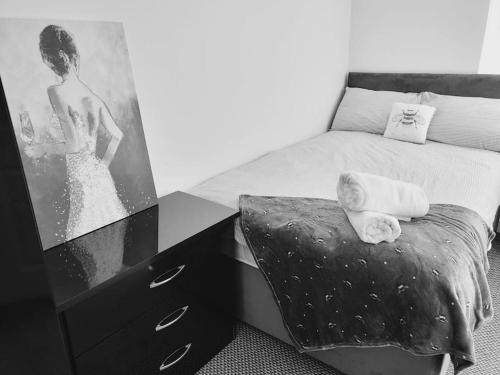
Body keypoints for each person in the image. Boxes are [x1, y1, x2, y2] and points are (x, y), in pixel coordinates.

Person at [24, 24, 128, 241]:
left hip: (81, 178)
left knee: (84, 237)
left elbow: (74, 145)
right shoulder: (93, 96)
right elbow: (117, 135)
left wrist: (43, 148)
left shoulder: (56, 91)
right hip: (100, 177)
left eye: (46, 59)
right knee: (108, 239)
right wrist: (101, 166)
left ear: (58, 56)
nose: (47, 64)